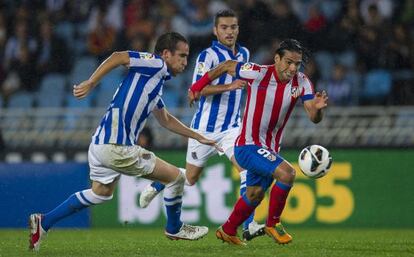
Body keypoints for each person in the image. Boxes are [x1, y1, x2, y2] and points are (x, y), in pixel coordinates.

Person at [29, 32, 219, 251]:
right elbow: (119, 56)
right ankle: (175, 228)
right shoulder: (156, 64)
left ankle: (44, 221)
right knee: (176, 178)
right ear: (166, 54)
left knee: (100, 193)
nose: (186, 62)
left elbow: (165, 119)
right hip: (117, 146)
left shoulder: (153, 83)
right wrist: (91, 82)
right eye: (182, 56)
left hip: (100, 144)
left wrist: (196, 135)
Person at [139, 9, 265, 241]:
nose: (229, 32)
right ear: (215, 30)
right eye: (224, 28)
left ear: (238, 29)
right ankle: (161, 182)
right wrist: (228, 86)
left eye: (233, 27)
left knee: (248, 171)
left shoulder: (245, 53)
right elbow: (196, 89)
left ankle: (249, 225)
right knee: (190, 178)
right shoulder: (207, 56)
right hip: (204, 129)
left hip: (233, 129)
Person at [188, 39, 328, 245]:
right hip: (247, 145)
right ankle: (273, 224)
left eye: (297, 64)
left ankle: (227, 230)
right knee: (287, 173)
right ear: (277, 58)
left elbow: (313, 117)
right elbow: (226, 66)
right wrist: (197, 87)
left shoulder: (302, 82)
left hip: (269, 148)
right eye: (288, 62)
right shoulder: (257, 72)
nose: (292, 68)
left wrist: (317, 109)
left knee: (254, 194)